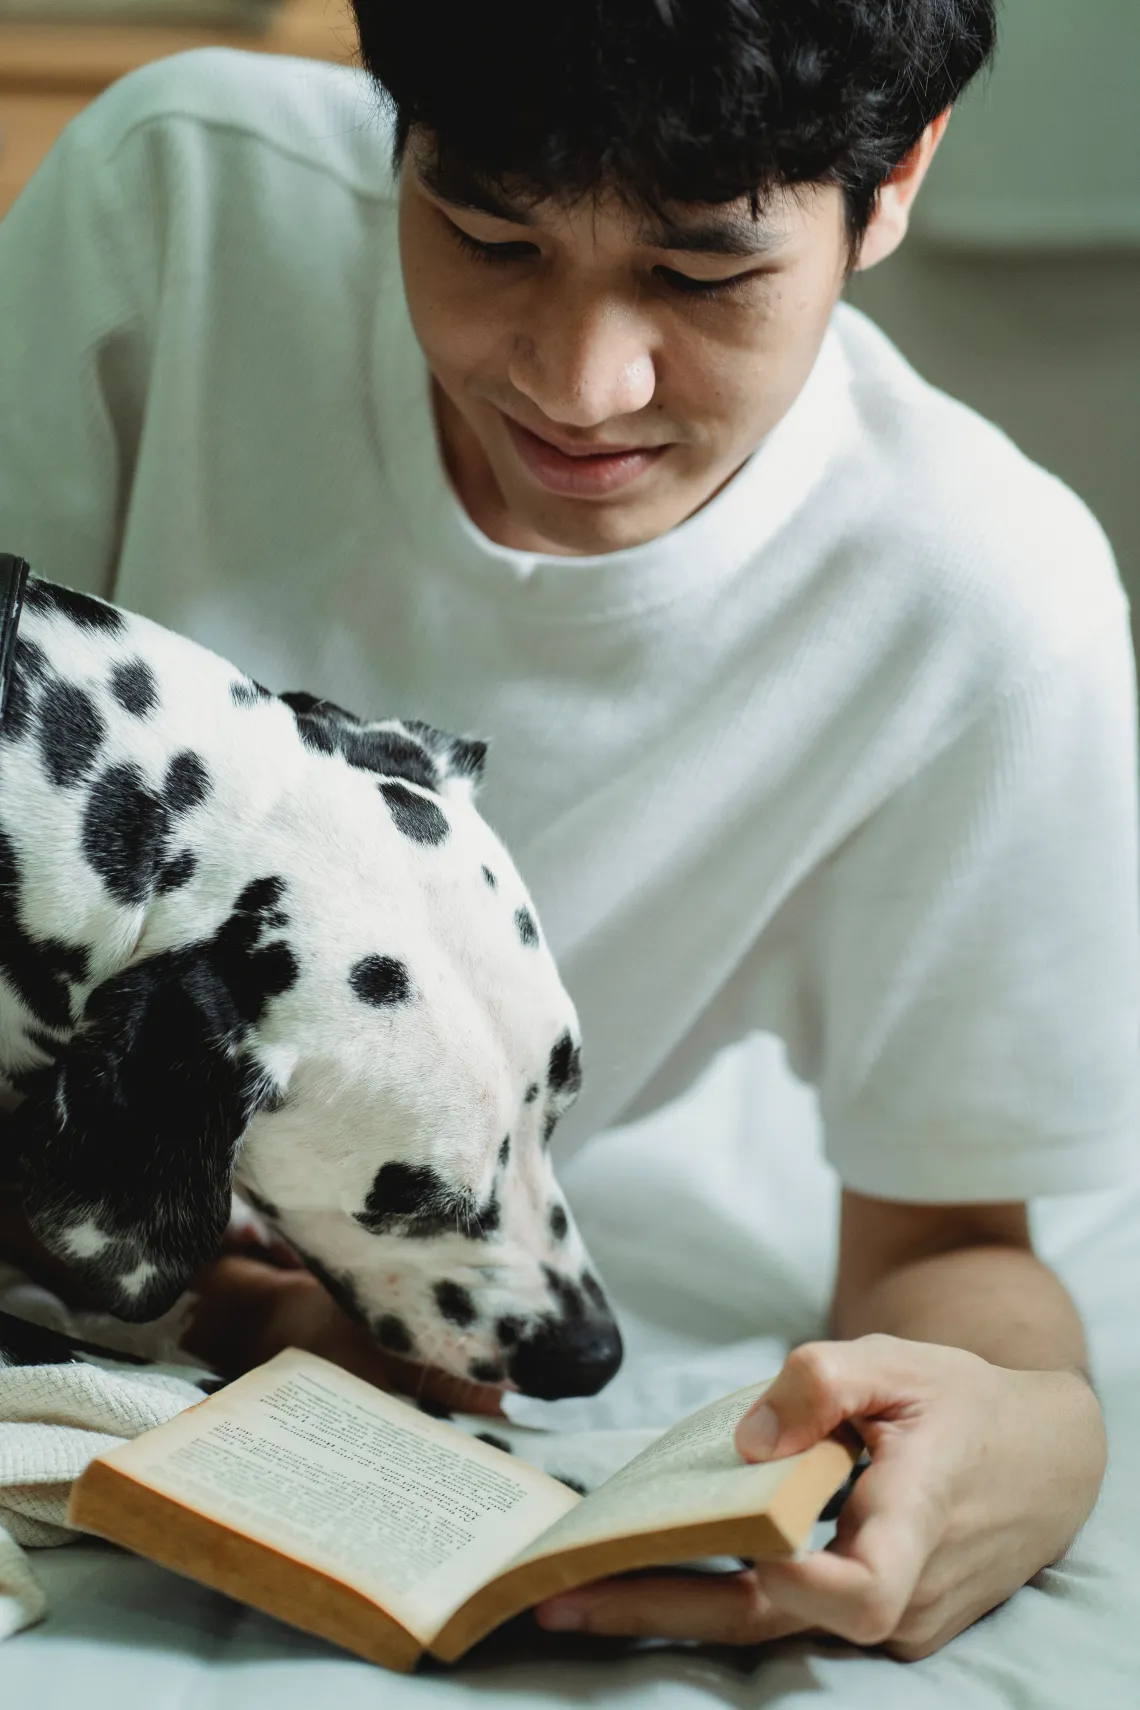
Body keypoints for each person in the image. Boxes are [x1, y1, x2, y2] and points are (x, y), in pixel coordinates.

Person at [0, 0, 1136, 1664]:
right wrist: (242, 1302)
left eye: (699, 273)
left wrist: (1042, 1429)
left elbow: (950, 1236)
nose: (579, 381)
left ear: (893, 183)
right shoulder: (182, 207)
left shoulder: (988, 615)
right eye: (484, 234)